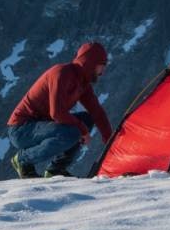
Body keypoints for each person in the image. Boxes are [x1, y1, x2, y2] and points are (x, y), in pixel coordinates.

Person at [7, 41, 113, 178]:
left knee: (87, 119)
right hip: (21, 129)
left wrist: (109, 139)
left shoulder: (82, 83)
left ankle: (56, 169)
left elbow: (97, 112)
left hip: (41, 125)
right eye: (102, 66)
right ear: (91, 63)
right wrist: (83, 130)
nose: (102, 72)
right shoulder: (61, 73)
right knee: (73, 132)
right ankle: (22, 160)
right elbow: (57, 113)